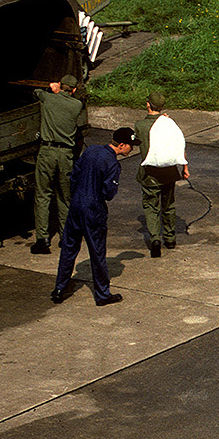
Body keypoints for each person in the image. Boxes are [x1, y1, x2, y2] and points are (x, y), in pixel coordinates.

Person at [51, 128, 134, 307]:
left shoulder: (90, 151)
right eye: (131, 146)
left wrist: (77, 196)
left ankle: (59, 288)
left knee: (69, 247)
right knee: (97, 252)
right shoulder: (112, 164)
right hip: (93, 209)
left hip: (76, 205)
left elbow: (74, 176)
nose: (132, 149)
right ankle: (102, 295)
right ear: (121, 145)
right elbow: (108, 193)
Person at [31, 75, 85, 254]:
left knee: (42, 195)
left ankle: (42, 239)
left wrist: (51, 89)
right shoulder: (76, 105)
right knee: (64, 197)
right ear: (74, 90)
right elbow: (70, 101)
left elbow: (35, 92)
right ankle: (65, 236)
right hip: (65, 155)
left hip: (47, 152)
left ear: (61, 86)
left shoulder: (48, 99)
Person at [136, 91, 187, 258]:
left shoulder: (140, 125)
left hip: (149, 174)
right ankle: (170, 239)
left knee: (151, 207)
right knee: (168, 205)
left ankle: (155, 239)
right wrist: (185, 167)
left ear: (148, 104)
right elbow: (179, 145)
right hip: (169, 173)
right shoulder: (169, 124)